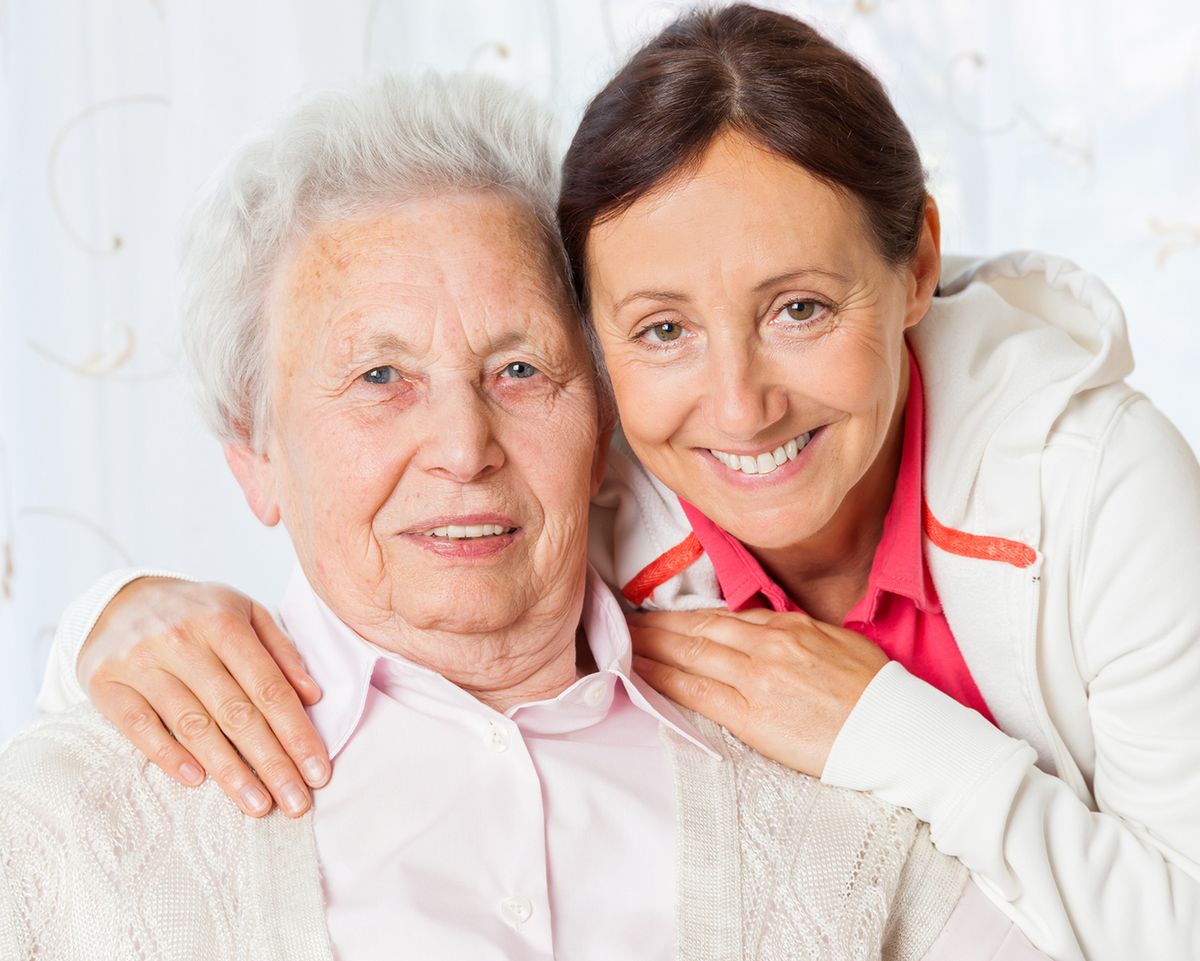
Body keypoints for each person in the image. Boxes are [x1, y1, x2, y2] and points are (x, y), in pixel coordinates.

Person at [35, 5, 1200, 960]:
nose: (465, 447)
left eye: (519, 369)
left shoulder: (1090, 487)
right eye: (380, 375)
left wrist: (886, 731)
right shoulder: (77, 817)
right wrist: (103, 618)